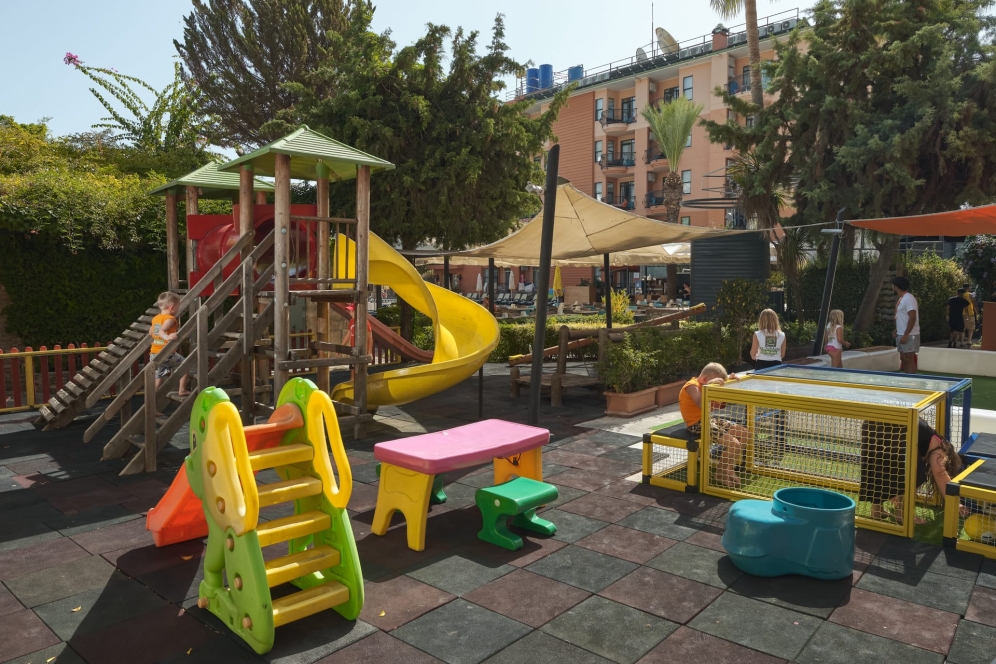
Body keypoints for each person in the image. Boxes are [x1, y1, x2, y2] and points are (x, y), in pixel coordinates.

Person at [860, 418, 967, 525]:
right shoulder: (940, 448)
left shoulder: (929, 436)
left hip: (871, 424)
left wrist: (894, 492)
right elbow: (940, 472)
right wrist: (955, 504)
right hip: (896, 431)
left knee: (877, 465)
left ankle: (877, 511)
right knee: (915, 474)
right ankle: (903, 514)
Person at [678, 363, 746, 488]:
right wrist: (708, 386)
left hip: (709, 420)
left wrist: (729, 381)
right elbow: (700, 404)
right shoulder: (692, 386)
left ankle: (728, 468)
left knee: (745, 433)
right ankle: (720, 474)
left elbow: (721, 399)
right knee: (734, 444)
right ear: (705, 379)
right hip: (696, 424)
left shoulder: (704, 383)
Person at [150, 292, 190, 402]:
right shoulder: (170, 319)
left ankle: (151, 402)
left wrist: (159, 335)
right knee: (185, 364)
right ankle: (182, 389)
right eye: (178, 306)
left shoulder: (155, 318)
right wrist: (167, 337)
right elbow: (161, 331)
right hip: (166, 353)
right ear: (172, 307)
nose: (178, 309)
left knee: (158, 378)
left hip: (154, 353)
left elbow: (151, 332)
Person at [893, 276, 920, 374]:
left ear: (896, 287)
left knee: (909, 358)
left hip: (910, 334)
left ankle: (912, 380)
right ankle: (907, 378)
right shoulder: (901, 299)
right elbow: (901, 316)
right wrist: (897, 329)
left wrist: (905, 335)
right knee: (903, 358)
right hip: (901, 333)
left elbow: (912, 318)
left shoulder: (909, 298)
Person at [962, 283, 977, 347]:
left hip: (962, 313)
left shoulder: (960, 295)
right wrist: (977, 313)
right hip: (970, 313)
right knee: (971, 328)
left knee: (963, 328)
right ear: (968, 288)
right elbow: (974, 304)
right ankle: (969, 340)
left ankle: (962, 341)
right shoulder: (970, 295)